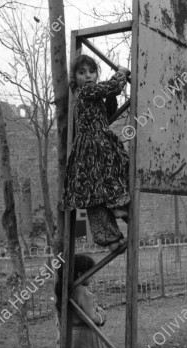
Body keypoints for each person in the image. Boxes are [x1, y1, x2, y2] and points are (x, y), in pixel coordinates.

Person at [61, 54, 131, 252]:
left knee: (93, 193)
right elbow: (113, 86)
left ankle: (112, 234)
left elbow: (107, 112)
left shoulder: (90, 94)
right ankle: (116, 212)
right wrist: (121, 73)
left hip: (91, 148)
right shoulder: (83, 91)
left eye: (92, 72)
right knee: (113, 168)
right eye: (82, 72)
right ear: (75, 77)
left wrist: (110, 97)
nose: (88, 76)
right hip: (95, 145)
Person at [55, 254, 107, 348]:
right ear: (81, 274)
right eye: (90, 273)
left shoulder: (65, 290)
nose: (92, 277)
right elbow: (92, 318)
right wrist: (102, 315)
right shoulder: (83, 292)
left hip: (72, 336)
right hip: (86, 338)